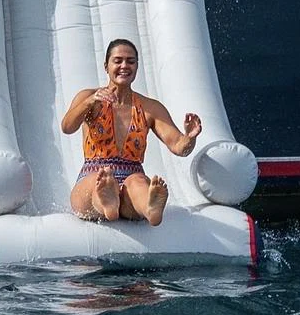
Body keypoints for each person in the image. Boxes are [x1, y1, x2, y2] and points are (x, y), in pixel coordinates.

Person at [58, 37, 200, 225]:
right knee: (98, 181)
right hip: (94, 172)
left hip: (130, 175)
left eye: (130, 61)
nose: (124, 65)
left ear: (137, 67)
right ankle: (107, 200)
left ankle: (149, 208)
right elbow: (67, 127)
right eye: (118, 61)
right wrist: (90, 101)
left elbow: (179, 147)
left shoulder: (150, 107)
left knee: (139, 183)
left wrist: (190, 137)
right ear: (106, 66)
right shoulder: (88, 97)